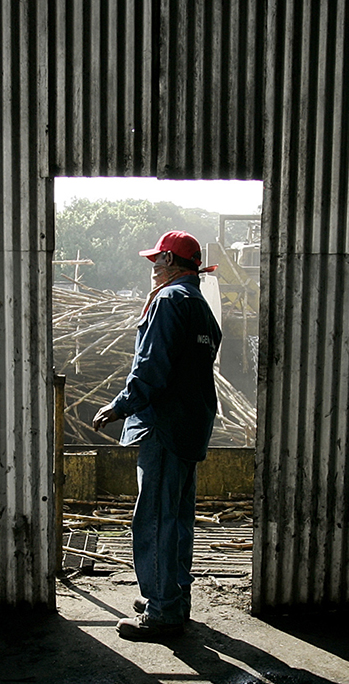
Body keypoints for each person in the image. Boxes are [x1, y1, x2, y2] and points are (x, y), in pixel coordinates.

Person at [92, 230, 223, 638]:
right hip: (190, 425)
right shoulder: (199, 304)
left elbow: (152, 365)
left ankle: (163, 610)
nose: (152, 269)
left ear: (169, 261)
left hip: (163, 427)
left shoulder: (168, 300)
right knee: (178, 518)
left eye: (156, 261)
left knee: (155, 520)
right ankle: (172, 595)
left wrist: (121, 405)